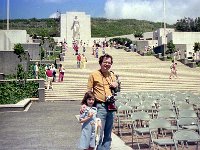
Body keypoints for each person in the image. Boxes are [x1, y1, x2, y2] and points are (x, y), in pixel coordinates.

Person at [80, 54, 118, 150]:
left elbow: (117, 90)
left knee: (108, 133)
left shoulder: (112, 75)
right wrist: (84, 105)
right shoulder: (94, 74)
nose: (107, 64)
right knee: (98, 132)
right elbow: (89, 92)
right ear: (100, 63)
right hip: (100, 106)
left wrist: (116, 85)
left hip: (111, 106)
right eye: (105, 62)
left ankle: (106, 148)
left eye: (109, 63)